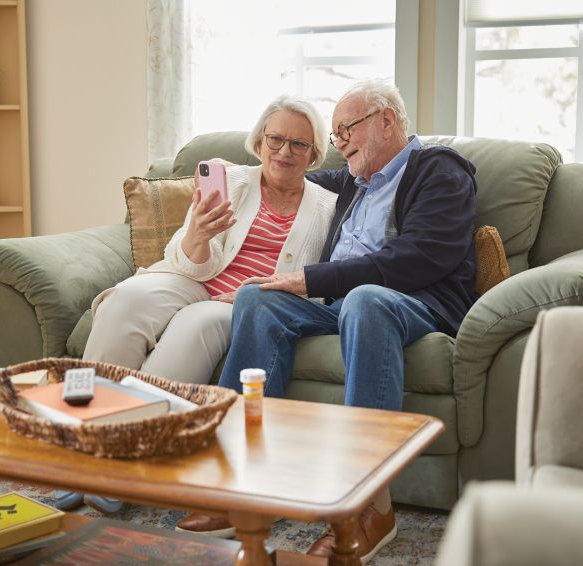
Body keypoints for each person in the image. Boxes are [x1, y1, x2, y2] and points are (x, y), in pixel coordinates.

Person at [212, 80, 479, 561]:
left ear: (386, 120)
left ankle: (366, 505)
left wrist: (313, 278)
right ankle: (242, 481)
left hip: (413, 301)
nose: (338, 144)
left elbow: (420, 256)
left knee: (365, 299)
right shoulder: (347, 182)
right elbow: (285, 173)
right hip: (340, 304)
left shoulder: (440, 170)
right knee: (257, 299)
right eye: (334, 136)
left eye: (345, 130)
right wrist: (227, 177)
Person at [61, 94, 336, 515]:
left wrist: (257, 291)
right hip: (197, 275)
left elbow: (317, 284)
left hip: (250, 299)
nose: (284, 151)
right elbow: (184, 260)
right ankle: (85, 449)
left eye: (299, 144)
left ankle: (125, 463)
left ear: (314, 154)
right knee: (125, 302)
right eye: (276, 138)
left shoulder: (328, 206)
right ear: (260, 141)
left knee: (195, 326)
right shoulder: (231, 180)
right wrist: (197, 235)